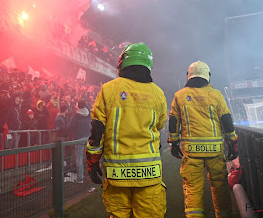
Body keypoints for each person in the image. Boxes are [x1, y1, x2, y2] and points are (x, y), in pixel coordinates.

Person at [86, 42, 167, 217]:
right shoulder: (158, 93)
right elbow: (160, 125)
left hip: (117, 175)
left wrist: (92, 163)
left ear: (123, 62)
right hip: (150, 175)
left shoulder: (108, 90)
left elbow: (96, 132)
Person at [168, 61, 238, 218]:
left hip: (191, 152)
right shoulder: (216, 95)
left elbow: (173, 121)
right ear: (207, 76)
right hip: (215, 151)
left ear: (189, 75)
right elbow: (226, 120)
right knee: (219, 187)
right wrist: (232, 141)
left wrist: (173, 143)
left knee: (192, 188)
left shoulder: (179, 96)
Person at [68, 99, 91, 183]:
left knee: (79, 158)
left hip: (79, 139)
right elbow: (88, 107)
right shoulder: (89, 114)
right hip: (89, 138)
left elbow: (70, 127)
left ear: (78, 106)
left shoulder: (76, 116)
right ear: (85, 105)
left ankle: (80, 178)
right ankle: (91, 176)